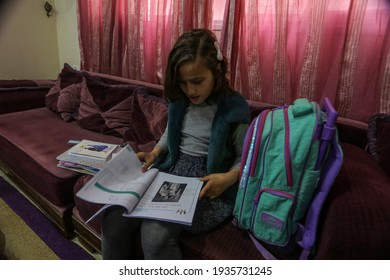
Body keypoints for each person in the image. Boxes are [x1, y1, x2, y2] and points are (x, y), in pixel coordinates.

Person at [101, 29, 250, 260]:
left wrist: (229, 178)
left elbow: (245, 157)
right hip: (169, 169)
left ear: (217, 71)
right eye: (183, 82)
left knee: (153, 235)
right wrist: (157, 151)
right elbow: (171, 132)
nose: (190, 90)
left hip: (204, 184)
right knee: (113, 220)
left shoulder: (233, 108)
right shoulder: (180, 101)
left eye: (198, 82)